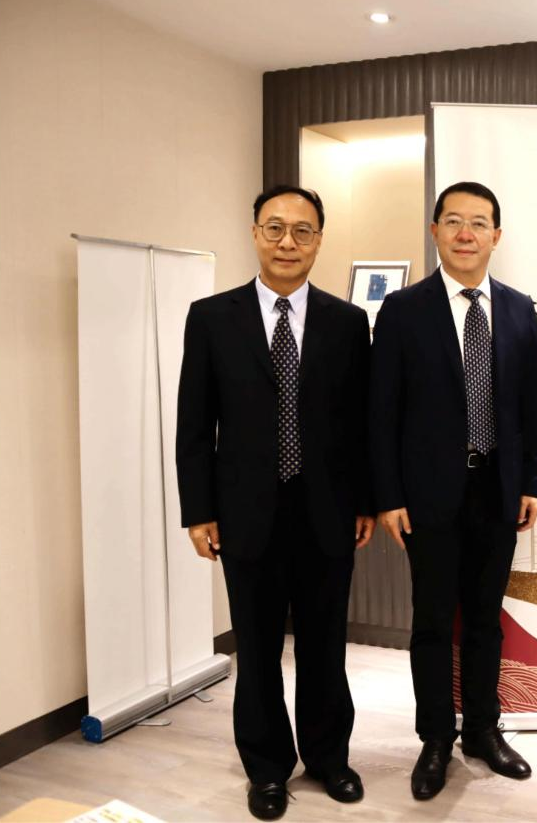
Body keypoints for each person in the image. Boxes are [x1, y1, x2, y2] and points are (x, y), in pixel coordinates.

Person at [176, 186, 374, 821]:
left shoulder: (348, 322)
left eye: (303, 230)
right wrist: (198, 510)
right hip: (244, 514)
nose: (288, 242)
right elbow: (194, 424)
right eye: (275, 228)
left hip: (328, 512)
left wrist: (365, 501)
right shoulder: (211, 317)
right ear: (255, 233)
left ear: (319, 240)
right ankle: (266, 769)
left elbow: (360, 424)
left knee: (325, 646)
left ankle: (328, 758)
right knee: (257, 650)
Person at [368, 181, 537, 801]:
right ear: (435, 231)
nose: (465, 234)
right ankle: (436, 739)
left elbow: (533, 404)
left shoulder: (519, 309)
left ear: (497, 235)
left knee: (484, 620)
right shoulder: (402, 310)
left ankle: (483, 731)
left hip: (497, 489)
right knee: (431, 620)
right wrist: (388, 495)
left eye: (478, 223)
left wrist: (530, 481)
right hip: (428, 495)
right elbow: (381, 411)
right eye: (453, 221)